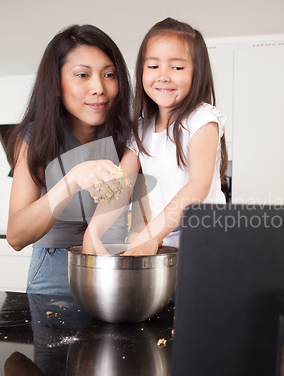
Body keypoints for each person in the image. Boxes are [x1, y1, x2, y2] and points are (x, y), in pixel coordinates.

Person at [82, 17, 228, 256]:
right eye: (153, 67)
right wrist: (93, 231)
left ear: (197, 73)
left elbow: (197, 189)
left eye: (177, 68)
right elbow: (121, 187)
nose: (163, 76)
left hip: (206, 245)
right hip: (164, 244)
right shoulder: (141, 129)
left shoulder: (202, 120)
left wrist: (151, 235)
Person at [6, 24, 133, 295]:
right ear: (55, 85)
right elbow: (16, 236)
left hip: (118, 264)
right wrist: (72, 179)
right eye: (82, 75)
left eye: (109, 74)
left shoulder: (131, 136)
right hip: (55, 268)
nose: (99, 87)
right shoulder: (34, 138)